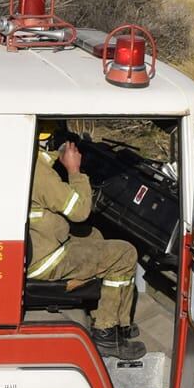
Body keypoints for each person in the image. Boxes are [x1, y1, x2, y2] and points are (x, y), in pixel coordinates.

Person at [29, 125, 145, 360]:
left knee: (94, 235)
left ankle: (118, 322)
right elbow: (80, 210)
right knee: (125, 254)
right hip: (47, 258)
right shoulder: (40, 174)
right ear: (47, 139)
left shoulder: (31, 163)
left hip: (42, 243)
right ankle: (105, 333)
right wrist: (74, 170)